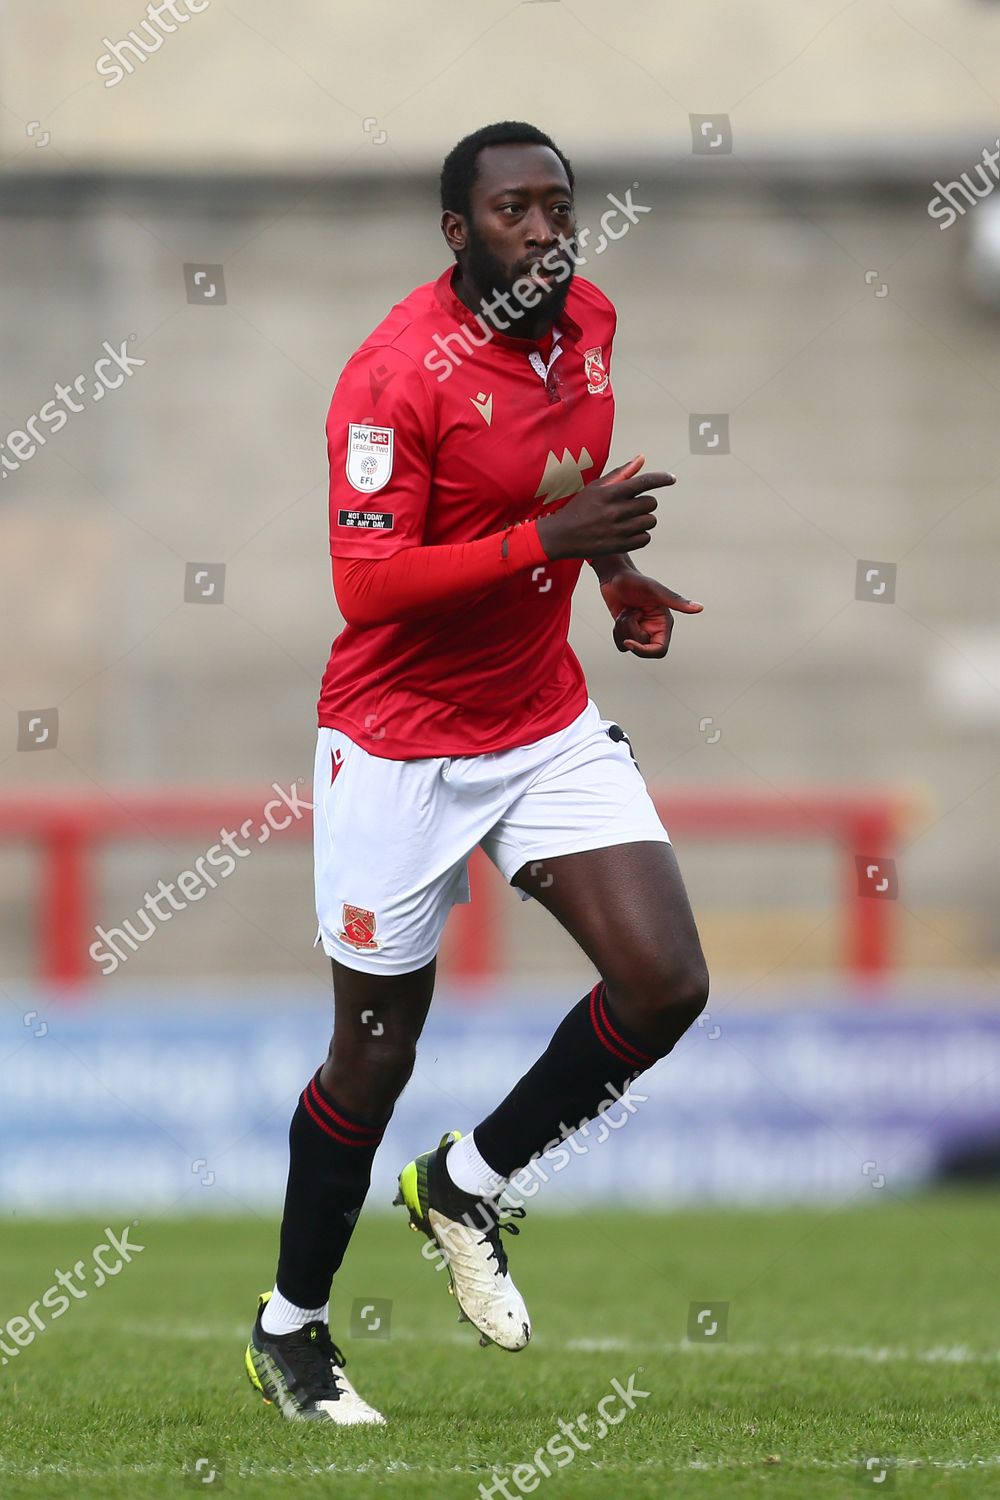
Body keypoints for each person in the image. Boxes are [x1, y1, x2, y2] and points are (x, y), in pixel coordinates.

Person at [245, 120, 709, 1425]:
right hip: (398, 743)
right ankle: (291, 1329)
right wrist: (545, 540)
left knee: (666, 980)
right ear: (459, 231)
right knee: (373, 1059)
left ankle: (469, 1181)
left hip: (542, 720)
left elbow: (562, 479)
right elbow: (368, 583)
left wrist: (610, 572)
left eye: (561, 205)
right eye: (516, 210)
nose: (547, 231)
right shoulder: (396, 376)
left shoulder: (589, 322)